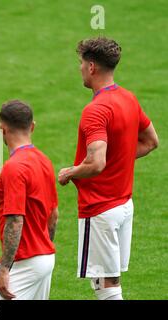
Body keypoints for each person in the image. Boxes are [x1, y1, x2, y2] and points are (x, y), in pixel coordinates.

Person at [58, 37, 159, 300]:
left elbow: (96, 163)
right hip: (124, 205)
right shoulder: (129, 98)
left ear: (92, 67)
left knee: (107, 285)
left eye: (81, 63)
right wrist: (119, 159)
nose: (79, 68)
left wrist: (69, 172)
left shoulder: (96, 110)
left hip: (100, 208)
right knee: (107, 280)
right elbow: (151, 142)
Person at [0, 100, 58, 300]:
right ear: (32, 126)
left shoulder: (14, 167)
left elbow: (15, 221)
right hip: (44, 258)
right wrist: (42, 249)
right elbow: (53, 215)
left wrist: (5, 270)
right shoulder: (44, 161)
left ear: (2, 130)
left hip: (23, 262)